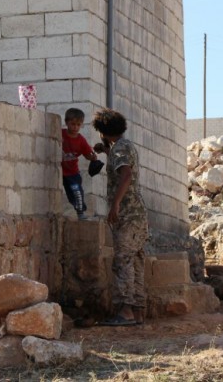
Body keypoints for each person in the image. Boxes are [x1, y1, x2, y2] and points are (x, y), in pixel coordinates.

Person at [92, 108, 148, 326]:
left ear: (104, 131)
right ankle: (138, 310)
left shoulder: (121, 150)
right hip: (138, 215)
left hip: (127, 215)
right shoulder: (123, 147)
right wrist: (107, 152)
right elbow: (123, 167)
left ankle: (125, 311)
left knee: (123, 261)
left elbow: (126, 174)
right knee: (136, 260)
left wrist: (115, 205)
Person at [61, 108, 98, 220]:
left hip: (73, 172)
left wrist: (92, 157)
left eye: (78, 124)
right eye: (72, 124)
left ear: (81, 125)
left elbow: (87, 154)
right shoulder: (60, 133)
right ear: (66, 122)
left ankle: (80, 213)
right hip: (60, 171)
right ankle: (79, 207)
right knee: (69, 195)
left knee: (77, 191)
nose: (75, 127)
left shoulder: (81, 140)